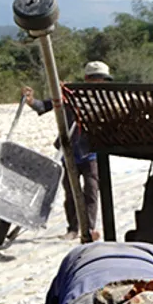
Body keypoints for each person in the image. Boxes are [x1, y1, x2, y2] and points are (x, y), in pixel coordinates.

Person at [23, 60, 111, 241]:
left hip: (92, 152)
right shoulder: (69, 96)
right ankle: (73, 228)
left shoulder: (106, 99)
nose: (98, 82)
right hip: (69, 151)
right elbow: (44, 106)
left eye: (102, 79)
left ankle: (89, 229)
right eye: (95, 79)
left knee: (92, 190)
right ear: (87, 79)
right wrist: (31, 101)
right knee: (71, 192)